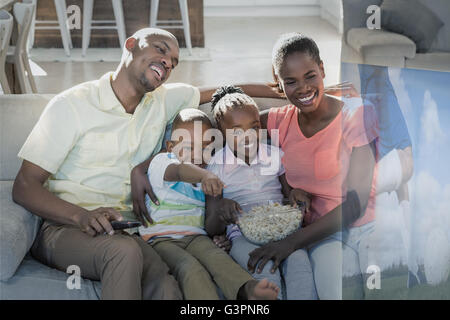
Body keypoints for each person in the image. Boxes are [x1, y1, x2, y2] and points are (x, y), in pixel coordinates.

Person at [253, 33, 379, 300]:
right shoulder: (278, 121)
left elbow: (356, 205)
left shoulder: (355, 114)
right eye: (290, 81)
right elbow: (231, 108)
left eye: (310, 76)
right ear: (278, 82)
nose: (303, 88)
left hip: (367, 227)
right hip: (324, 236)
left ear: (322, 69)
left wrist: (290, 243)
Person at [139, 108, 280, 300]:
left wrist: (220, 220)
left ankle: (247, 290)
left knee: (219, 260)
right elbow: (180, 171)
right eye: (189, 147)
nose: (197, 155)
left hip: (197, 238)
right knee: (190, 269)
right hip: (161, 239)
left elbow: (212, 222)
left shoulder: (210, 170)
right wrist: (206, 176)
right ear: (171, 146)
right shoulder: (162, 162)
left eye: (205, 147)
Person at [204, 86, 317, 300]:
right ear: (221, 133)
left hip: (282, 230)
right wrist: (221, 209)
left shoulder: (273, 155)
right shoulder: (216, 166)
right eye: (237, 131)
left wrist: (296, 195)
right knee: (262, 269)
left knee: (300, 262)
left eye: (254, 127)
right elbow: (210, 227)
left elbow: (289, 193)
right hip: (242, 236)